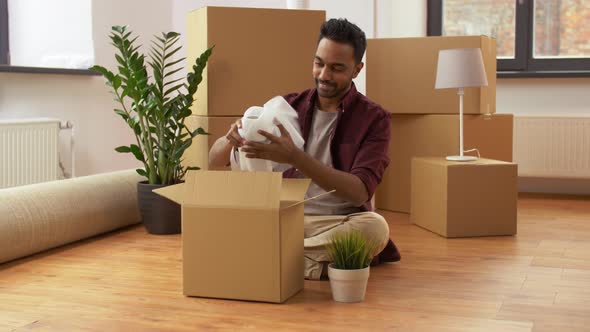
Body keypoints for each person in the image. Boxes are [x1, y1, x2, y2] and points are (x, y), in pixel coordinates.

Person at [209, 18, 400, 280]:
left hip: (335, 222)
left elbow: (359, 192)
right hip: (284, 217)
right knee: (221, 219)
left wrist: (295, 157)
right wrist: (232, 138)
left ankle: (273, 257)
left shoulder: (374, 119)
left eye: (336, 68)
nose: (324, 75)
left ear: (357, 70)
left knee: (375, 229)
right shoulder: (287, 106)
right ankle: (309, 263)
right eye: (319, 63)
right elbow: (215, 159)